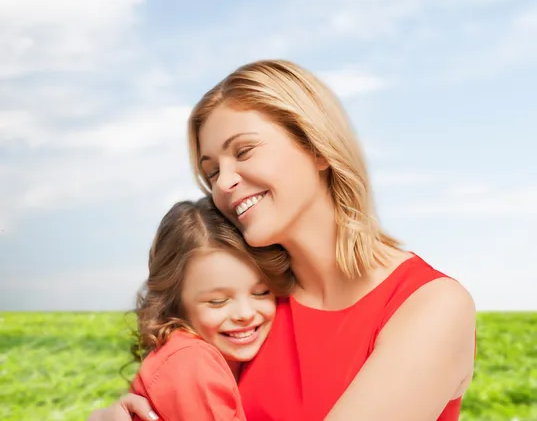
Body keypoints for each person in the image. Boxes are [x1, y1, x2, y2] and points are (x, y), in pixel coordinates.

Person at [88, 59, 476, 421]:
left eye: (244, 151)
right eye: (211, 173)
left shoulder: (431, 306)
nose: (223, 184)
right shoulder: (255, 306)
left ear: (317, 146)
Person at [127, 197, 292, 421]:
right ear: (175, 302)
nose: (245, 313)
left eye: (261, 292)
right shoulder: (191, 363)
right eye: (217, 301)